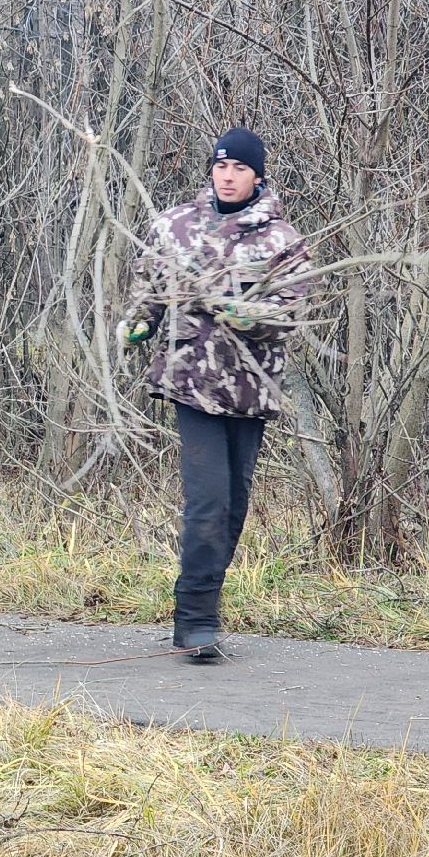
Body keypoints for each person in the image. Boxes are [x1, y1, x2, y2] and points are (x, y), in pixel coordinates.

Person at [120, 127, 315, 659]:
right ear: (211, 169)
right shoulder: (175, 226)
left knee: (232, 507)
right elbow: (149, 285)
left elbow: (291, 314)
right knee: (207, 501)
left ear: (258, 176)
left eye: (240, 170)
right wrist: (139, 323)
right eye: (221, 167)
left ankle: (204, 601)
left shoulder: (282, 241)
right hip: (190, 383)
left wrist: (246, 313)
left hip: (251, 390)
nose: (228, 177)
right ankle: (196, 620)